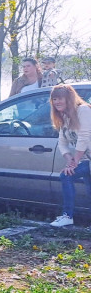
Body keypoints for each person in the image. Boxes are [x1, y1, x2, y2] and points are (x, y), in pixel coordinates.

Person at [49, 84, 91, 227]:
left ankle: (67, 215)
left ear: (69, 99)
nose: (57, 102)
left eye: (60, 98)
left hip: (85, 159)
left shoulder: (83, 110)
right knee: (69, 176)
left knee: (66, 175)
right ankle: (67, 216)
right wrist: (69, 160)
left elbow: (84, 137)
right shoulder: (65, 117)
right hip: (86, 160)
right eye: (54, 99)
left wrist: (75, 162)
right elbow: (62, 142)